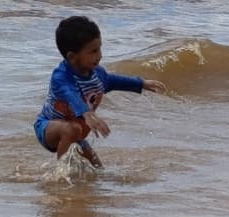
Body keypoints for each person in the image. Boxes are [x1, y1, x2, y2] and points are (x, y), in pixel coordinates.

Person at [34, 15, 166, 168]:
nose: (100, 55)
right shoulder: (61, 77)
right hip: (47, 128)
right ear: (72, 57)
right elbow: (70, 94)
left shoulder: (97, 74)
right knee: (72, 129)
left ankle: (80, 175)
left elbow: (113, 81)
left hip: (76, 135)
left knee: (98, 169)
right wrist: (86, 113)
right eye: (93, 51)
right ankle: (62, 173)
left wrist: (141, 83)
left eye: (99, 48)